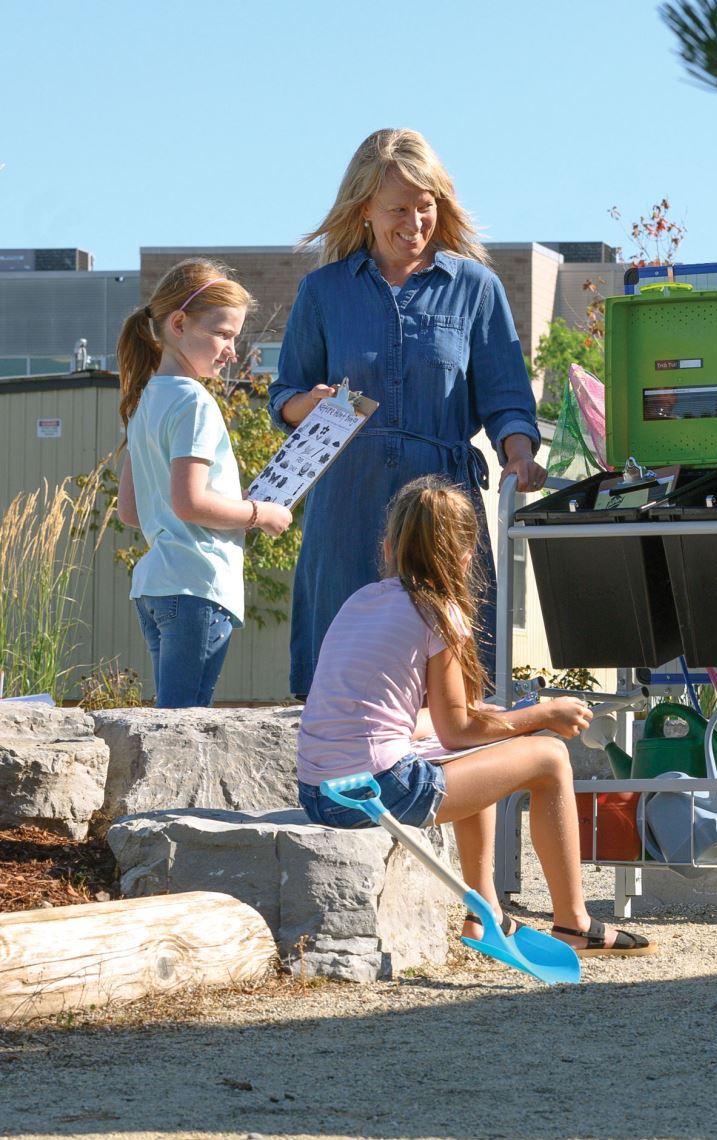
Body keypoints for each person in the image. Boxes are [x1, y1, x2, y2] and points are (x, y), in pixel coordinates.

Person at [296, 475, 656, 957]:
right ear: (465, 558)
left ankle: (484, 912)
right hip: (379, 792)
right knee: (550, 758)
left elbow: (404, 720)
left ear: (389, 546)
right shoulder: (438, 612)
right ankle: (574, 922)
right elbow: (459, 731)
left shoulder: (360, 602)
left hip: (320, 794)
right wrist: (543, 714)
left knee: (485, 744)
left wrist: (495, 722)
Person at [268, 128, 545, 699]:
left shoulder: (477, 288)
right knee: (342, 680)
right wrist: (306, 404)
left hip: (441, 506)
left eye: (426, 206)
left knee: (453, 681)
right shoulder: (322, 292)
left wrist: (518, 455)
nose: (415, 223)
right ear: (364, 209)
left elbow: (507, 399)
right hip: (346, 504)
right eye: (398, 208)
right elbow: (283, 395)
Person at [116, 259, 293, 707]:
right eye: (223, 334)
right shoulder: (194, 402)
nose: (232, 351)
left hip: (155, 587)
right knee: (182, 726)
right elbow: (191, 503)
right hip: (197, 585)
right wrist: (260, 513)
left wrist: (228, 502)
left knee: (169, 718)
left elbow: (131, 510)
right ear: (178, 324)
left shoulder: (143, 400)